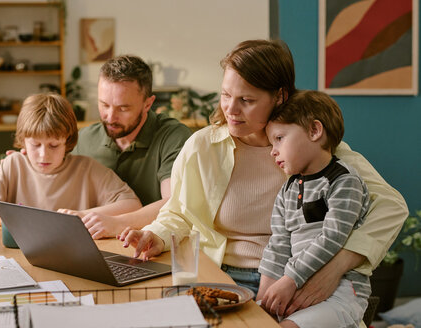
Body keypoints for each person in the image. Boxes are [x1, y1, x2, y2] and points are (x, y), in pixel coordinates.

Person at [119, 40, 408, 316]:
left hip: (295, 280)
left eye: (246, 100)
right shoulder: (202, 146)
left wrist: (335, 268)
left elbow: (392, 206)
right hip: (220, 278)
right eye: (225, 95)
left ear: (280, 96)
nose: (230, 109)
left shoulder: (313, 147)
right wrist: (155, 235)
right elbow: (179, 212)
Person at [257, 90, 370, 327]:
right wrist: (263, 302)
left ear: (314, 131)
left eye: (279, 138)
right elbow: (279, 243)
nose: (272, 151)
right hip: (296, 288)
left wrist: (291, 279)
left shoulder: (344, 181)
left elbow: (331, 238)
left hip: (340, 293)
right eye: (270, 143)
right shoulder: (287, 189)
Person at [71, 55, 193, 238]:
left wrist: (117, 224)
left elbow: (173, 203)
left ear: (148, 104)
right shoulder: (84, 139)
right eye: (104, 105)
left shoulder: (174, 137)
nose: (110, 117)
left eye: (123, 108)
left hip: (153, 249)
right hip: (93, 247)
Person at [0, 93, 141, 227]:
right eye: (35, 145)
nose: (44, 155)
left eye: (54, 145)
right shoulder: (13, 164)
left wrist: (82, 215)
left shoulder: (87, 169)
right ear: (23, 141)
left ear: (67, 141)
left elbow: (132, 204)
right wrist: (28, 219)